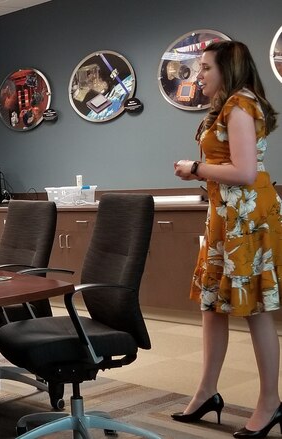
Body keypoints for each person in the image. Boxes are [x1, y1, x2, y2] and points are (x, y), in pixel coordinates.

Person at [172, 41, 282, 438]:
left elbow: (246, 172)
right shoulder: (229, 104)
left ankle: (270, 402)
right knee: (212, 306)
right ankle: (206, 392)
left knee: (255, 310)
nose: (198, 75)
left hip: (245, 219)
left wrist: (196, 168)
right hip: (225, 216)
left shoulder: (239, 105)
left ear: (228, 69)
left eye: (204, 68)